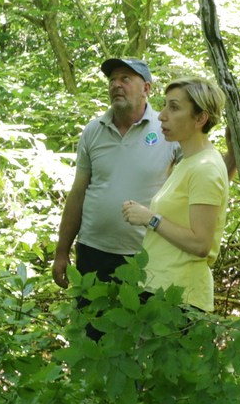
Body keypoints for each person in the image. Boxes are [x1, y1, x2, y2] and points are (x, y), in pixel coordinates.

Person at [53, 57, 176, 317]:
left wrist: (233, 156)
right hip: (93, 253)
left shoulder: (167, 130)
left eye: (125, 79)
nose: (116, 85)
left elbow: (203, 178)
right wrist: (61, 252)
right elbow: (78, 194)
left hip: (145, 255)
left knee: (142, 335)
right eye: (112, 80)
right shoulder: (93, 131)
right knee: (92, 331)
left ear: (146, 88)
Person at [121, 78, 232, 313]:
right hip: (161, 289)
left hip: (180, 298)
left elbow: (201, 243)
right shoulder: (189, 161)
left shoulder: (205, 167)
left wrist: (149, 218)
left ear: (200, 118)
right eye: (164, 106)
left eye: (174, 107)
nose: (161, 115)